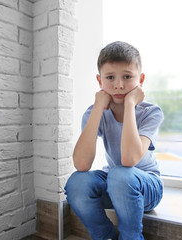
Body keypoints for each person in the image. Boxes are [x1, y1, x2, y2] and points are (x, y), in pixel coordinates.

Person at [65, 41, 164, 240]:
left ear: (141, 79)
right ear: (99, 81)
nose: (118, 84)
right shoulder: (94, 113)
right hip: (113, 183)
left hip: (147, 187)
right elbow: (82, 164)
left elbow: (129, 160)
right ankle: (104, 236)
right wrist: (97, 108)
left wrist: (129, 104)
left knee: (121, 175)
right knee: (77, 182)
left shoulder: (151, 113)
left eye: (127, 77)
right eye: (110, 77)